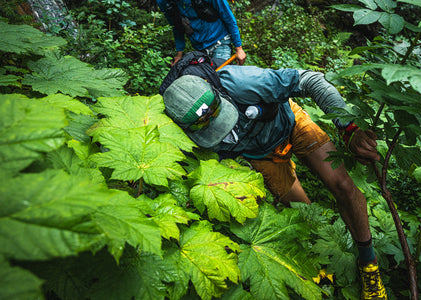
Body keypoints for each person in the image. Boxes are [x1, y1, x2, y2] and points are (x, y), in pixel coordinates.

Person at [161, 65, 387, 300]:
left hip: (291, 123)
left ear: (216, 91)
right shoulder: (179, 134)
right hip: (262, 156)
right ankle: (318, 264)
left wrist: (348, 127)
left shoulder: (241, 83)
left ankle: (369, 265)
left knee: (342, 186)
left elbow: (309, 79)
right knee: (301, 213)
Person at [156, 0, 246, 66]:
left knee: (219, 79)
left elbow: (228, 16)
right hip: (199, 48)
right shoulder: (164, 2)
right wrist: (179, 54)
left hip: (220, 41)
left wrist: (239, 48)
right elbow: (176, 26)